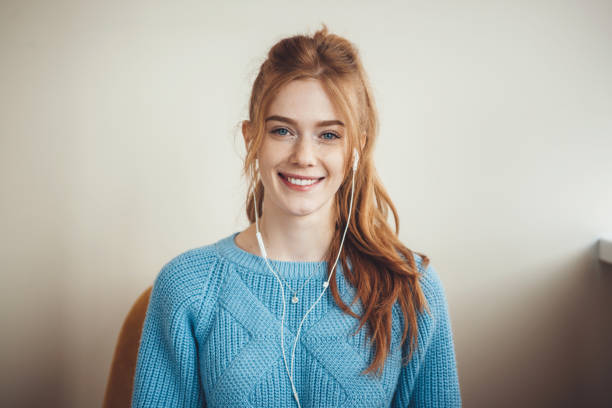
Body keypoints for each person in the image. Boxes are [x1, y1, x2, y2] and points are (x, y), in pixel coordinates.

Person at [131, 24, 461, 407]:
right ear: (251, 139)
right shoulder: (187, 287)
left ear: (357, 147)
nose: (303, 156)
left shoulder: (409, 287)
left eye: (329, 135)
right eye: (283, 130)